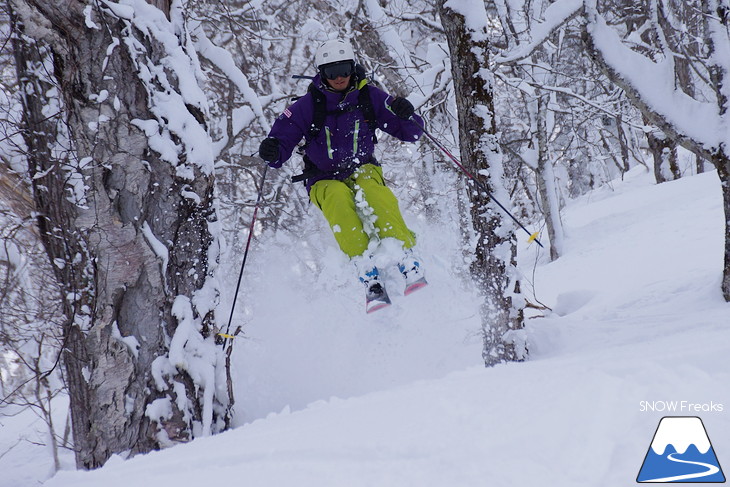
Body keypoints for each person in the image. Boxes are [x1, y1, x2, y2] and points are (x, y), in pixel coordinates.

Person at [258, 39, 426, 312]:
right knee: (337, 199)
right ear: (321, 74)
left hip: (363, 167)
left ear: (353, 68)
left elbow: (412, 133)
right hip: (322, 177)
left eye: (344, 69)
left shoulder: (369, 96)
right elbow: (280, 146)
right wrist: (272, 149)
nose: (339, 77)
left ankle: (407, 259)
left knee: (373, 192)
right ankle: (369, 276)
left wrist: (408, 116)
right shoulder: (306, 106)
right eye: (331, 71)